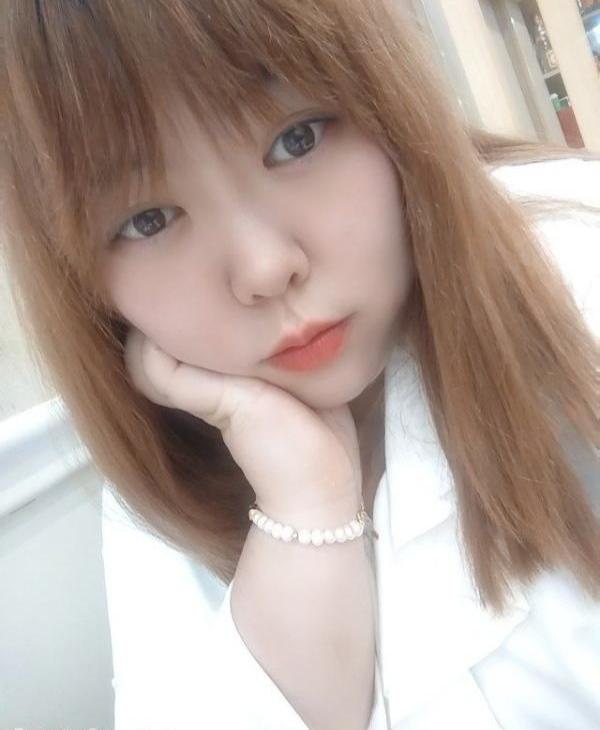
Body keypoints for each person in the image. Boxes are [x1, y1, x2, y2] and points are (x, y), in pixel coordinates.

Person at [1, 1, 598, 728]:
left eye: (297, 138)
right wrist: (305, 507)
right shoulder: (159, 481)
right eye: (147, 220)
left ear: (387, 103)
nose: (265, 267)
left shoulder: (575, 268)